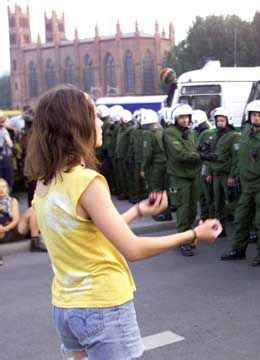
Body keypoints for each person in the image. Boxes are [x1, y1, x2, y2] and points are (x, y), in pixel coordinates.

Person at [24, 85, 221, 359]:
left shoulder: (45, 183)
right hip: (102, 306)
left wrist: (138, 211)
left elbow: (85, 231)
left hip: (66, 308)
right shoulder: (87, 182)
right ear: (76, 126)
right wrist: (193, 234)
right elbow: (133, 249)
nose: (100, 123)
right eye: (93, 116)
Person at [221, 100, 260, 266]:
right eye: (253, 115)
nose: (256, 118)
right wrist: (235, 177)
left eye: (259, 115)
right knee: (241, 218)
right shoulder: (244, 134)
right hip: (246, 185)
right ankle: (238, 250)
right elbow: (239, 158)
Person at [163, 104, 201, 256]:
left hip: (192, 174)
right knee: (183, 208)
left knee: (192, 209)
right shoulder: (170, 133)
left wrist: (201, 152)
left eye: (187, 117)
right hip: (179, 176)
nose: (185, 120)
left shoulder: (191, 133)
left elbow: (194, 149)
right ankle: (183, 240)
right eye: (182, 117)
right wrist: (199, 156)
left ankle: (187, 236)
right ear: (175, 119)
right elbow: (179, 154)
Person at [203, 107, 240, 237]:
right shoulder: (215, 136)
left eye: (222, 120)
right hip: (215, 175)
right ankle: (220, 229)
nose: (219, 123)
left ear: (228, 121)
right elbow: (210, 156)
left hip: (227, 175)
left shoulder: (234, 136)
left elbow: (236, 158)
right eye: (218, 120)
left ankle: (242, 230)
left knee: (234, 203)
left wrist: (232, 176)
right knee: (217, 204)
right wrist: (208, 172)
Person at [140, 109, 172, 221]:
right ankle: (167, 213)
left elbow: (147, 153)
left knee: (155, 189)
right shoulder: (163, 130)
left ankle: (160, 213)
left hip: (155, 166)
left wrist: (143, 168)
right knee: (164, 189)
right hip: (166, 164)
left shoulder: (148, 133)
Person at [0, 178, 46, 251]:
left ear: (7, 188)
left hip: (12, 229)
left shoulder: (13, 201)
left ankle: (35, 242)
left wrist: (6, 228)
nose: (1, 190)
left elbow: (16, 220)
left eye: (3, 187)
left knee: (32, 210)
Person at [193, 109, 215, 221]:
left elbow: (204, 152)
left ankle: (208, 217)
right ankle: (206, 216)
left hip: (205, 167)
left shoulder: (206, 133)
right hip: (203, 167)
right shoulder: (203, 132)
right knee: (203, 194)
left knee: (206, 194)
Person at [0, 114, 14, 190]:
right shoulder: (4, 131)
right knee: (8, 175)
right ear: (2, 123)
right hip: (5, 155)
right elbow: (10, 144)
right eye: (6, 121)